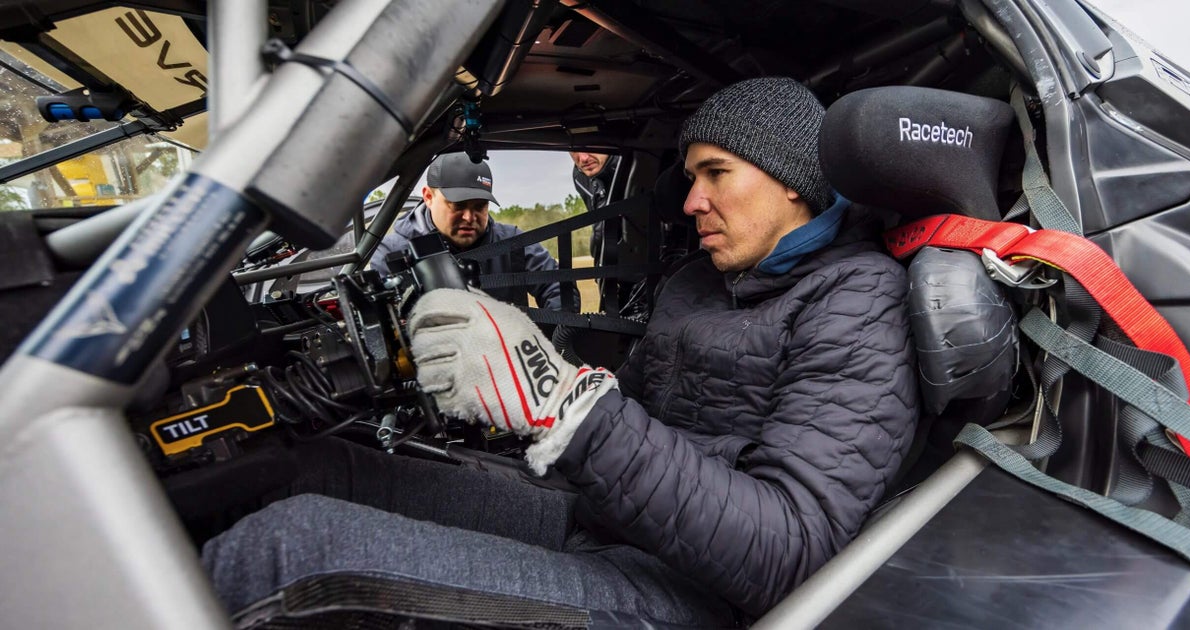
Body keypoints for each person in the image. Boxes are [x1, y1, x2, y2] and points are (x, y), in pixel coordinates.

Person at [202, 77, 918, 626]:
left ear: (791, 178)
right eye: (690, 177)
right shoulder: (697, 285)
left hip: (694, 594)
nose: (691, 201)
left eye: (716, 173)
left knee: (287, 551)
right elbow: (626, 416)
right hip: (599, 515)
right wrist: (529, 395)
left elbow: (789, 551)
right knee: (311, 473)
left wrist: (565, 405)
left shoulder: (858, 300)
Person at [371, 152, 579, 312]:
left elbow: (559, 289)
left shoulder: (511, 242)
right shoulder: (392, 253)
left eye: (480, 206)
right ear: (428, 196)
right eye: (458, 205)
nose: (469, 217)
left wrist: (549, 342)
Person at [569, 150, 619, 265]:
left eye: (588, 146)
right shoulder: (580, 176)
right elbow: (599, 224)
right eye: (573, 150)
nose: (583, 158)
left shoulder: (638, 165)